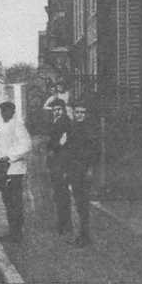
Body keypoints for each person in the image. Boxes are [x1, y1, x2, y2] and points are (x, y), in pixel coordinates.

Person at [63, 101, 100, 247]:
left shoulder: (90, 130)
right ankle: (81, 235)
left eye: (82, 112)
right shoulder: (72, 127)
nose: (79, 115)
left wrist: (90, 169)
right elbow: (68, 149)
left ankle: (84, 236)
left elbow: (95, 152)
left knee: (83, 204)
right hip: (73, 168)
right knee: (77, 202)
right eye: (77, 112)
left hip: (84, 169)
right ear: (73, 113)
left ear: (86, 114)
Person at [0, 101, 32, 243]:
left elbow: (26, 145)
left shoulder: (18, 125)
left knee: (15, 201)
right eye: (2, 111)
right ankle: (12, 230)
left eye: (6, 111)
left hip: (15, 169)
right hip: (4, 169)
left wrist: (10, 156)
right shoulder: (3, 125)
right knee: (7, 201)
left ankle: (17, 232)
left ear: (12, 112)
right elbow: (1, 147)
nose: (4, 114)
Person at [47, 98, 72, 235]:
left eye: (59, 109)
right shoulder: (55, 121)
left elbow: (63, 143)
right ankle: (63, 222)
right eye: (54, 110)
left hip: (62, 161)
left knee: (62, 193)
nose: (56, 112)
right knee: (58, 193)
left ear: (63, 110)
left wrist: (53, 148)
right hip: (56, 161)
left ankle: (65, 223)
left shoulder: (66, 122)